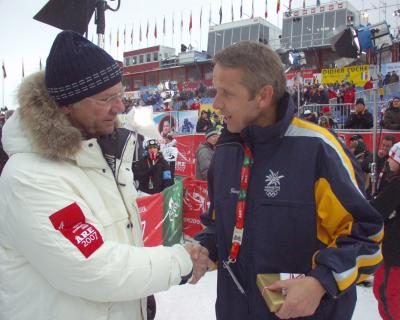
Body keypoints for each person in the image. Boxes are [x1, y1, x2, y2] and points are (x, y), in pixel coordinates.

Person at [0, 31, 210, 320]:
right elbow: (93, 266)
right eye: (105, 98)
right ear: (65, 105)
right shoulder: (29, 178)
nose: (120, 107)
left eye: (120, 95)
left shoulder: (98, 154)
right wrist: (181, 260)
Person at [195, 41, 383, 320]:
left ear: (263, 96)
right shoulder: (224, 151)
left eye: (226, 93)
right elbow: (218, 225)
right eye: (215, 91)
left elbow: (367, 239)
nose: (216, 104)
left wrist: (321, 282)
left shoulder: (318, 150)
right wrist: (204, 247)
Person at [370, 142, 400, 320]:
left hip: (394, 254)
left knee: (389, 296)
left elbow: (376, 211)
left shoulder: (397, 186)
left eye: (392, 157)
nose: (388, 161)